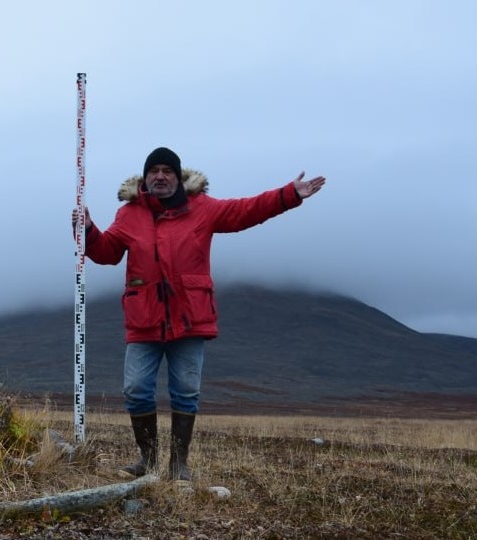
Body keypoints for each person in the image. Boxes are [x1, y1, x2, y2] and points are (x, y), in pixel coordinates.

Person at [73, 147, 325, 482]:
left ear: (178, 177)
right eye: (154, 171)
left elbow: (245, 211)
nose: (160, 176)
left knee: (186, 391)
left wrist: (288, 195)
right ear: (145, 177)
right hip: (144, 319)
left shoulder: (202, 209)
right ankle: (147, 461)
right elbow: (107, 253)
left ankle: (179, 465)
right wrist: (89, 230)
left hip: (190, 318)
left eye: (167, 171)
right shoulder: (129, 213)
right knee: (136, 389)